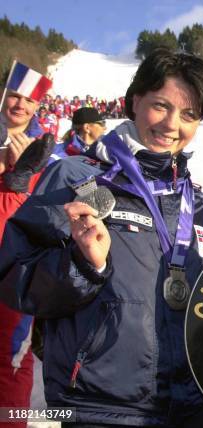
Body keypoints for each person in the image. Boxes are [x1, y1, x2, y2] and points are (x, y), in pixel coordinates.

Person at [0, 48, 203, 427]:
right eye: (160, 105)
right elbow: (14, 277)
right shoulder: (74, 176)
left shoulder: (193, 198)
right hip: (100, 407)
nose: (171, 125)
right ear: (135, 101)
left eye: (189, 114)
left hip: (189, 407)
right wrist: (84, 265)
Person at [0, 67, 55, 428]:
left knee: (12, 362)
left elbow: (44, 218)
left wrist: (18, 183)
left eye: (29, 99)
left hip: (12, 273)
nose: (20, 104)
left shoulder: (43, 154)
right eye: (14, 94)